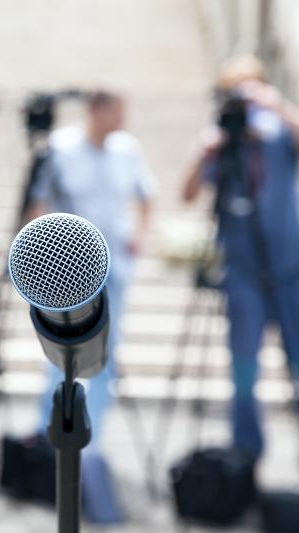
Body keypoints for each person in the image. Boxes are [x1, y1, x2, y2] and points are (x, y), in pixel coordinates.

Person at [182, 55, 299, 459]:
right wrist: (204, 153)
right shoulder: (221, 142)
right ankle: (246, 452)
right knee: (244, 368)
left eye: (249, 88)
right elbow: (188, 193)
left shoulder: (279, 133)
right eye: (235, 91)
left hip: (289, 267)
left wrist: (278, 106)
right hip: (242, 271)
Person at [27, 90, 156, 447]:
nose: (120, 120)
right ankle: (48, 429)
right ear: (95, 111)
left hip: (115, 261)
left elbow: (146, 194)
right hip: (69, 264)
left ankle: (92, 434)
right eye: (116, 112)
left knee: (106, 350)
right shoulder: (62, 147)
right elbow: (36, 200)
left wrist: (141, 234)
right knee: (59, 347)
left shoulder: (127, 150)